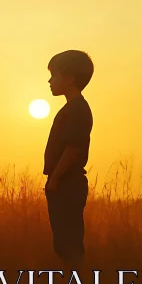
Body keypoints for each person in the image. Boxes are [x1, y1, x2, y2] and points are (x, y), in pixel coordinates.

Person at [43, 50, 94, 269]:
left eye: (55, 76)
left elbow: (73, 148)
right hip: (63, 181)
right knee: (63, 243)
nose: (50, 81)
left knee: (69, 243)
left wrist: (55, 179)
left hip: (67, 182)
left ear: (71, 78)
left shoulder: (78, 109)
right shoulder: (70, 108)